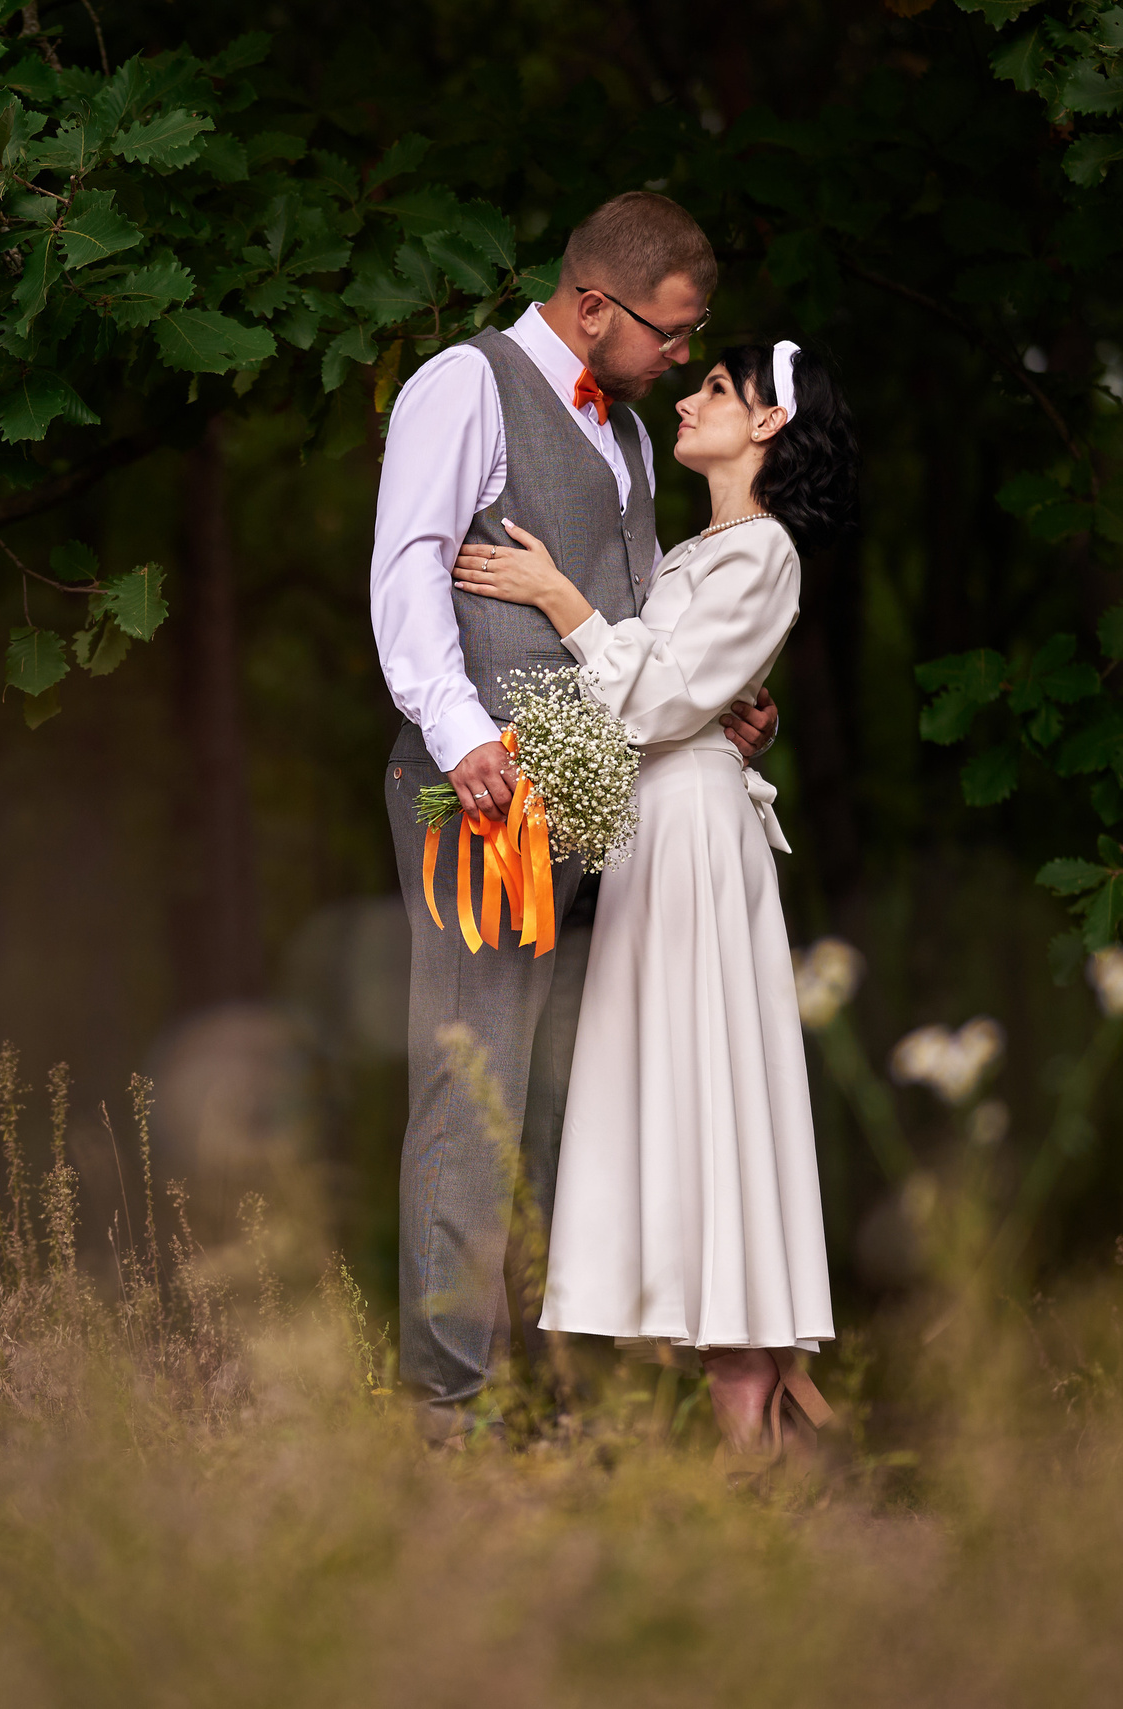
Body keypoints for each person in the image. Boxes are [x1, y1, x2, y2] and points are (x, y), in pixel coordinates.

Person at [368, 191, 778, 1444]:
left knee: (564, 1106)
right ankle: (450, 1414)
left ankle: (553, 1408)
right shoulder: (465, 384)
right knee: (473, 1087)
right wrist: (464, 739)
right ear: (594, 306)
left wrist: (717, 710)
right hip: (481, 790)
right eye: (667, 331)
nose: (678, 354)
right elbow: (406, 569)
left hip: (610, 798)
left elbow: (632, 616)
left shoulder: (637, 438)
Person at [449, 339, 856, 1456]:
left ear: (768, 424)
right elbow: (674, 691)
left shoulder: (763, 551)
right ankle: (741, 1418)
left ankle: (750, 1423)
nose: (690, 399)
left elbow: (663, 696)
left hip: (691, 845)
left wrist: (557, 596)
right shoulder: (698, 550)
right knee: (673, 1095)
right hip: (651, 838)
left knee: (712, 1094)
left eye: (717, 389)